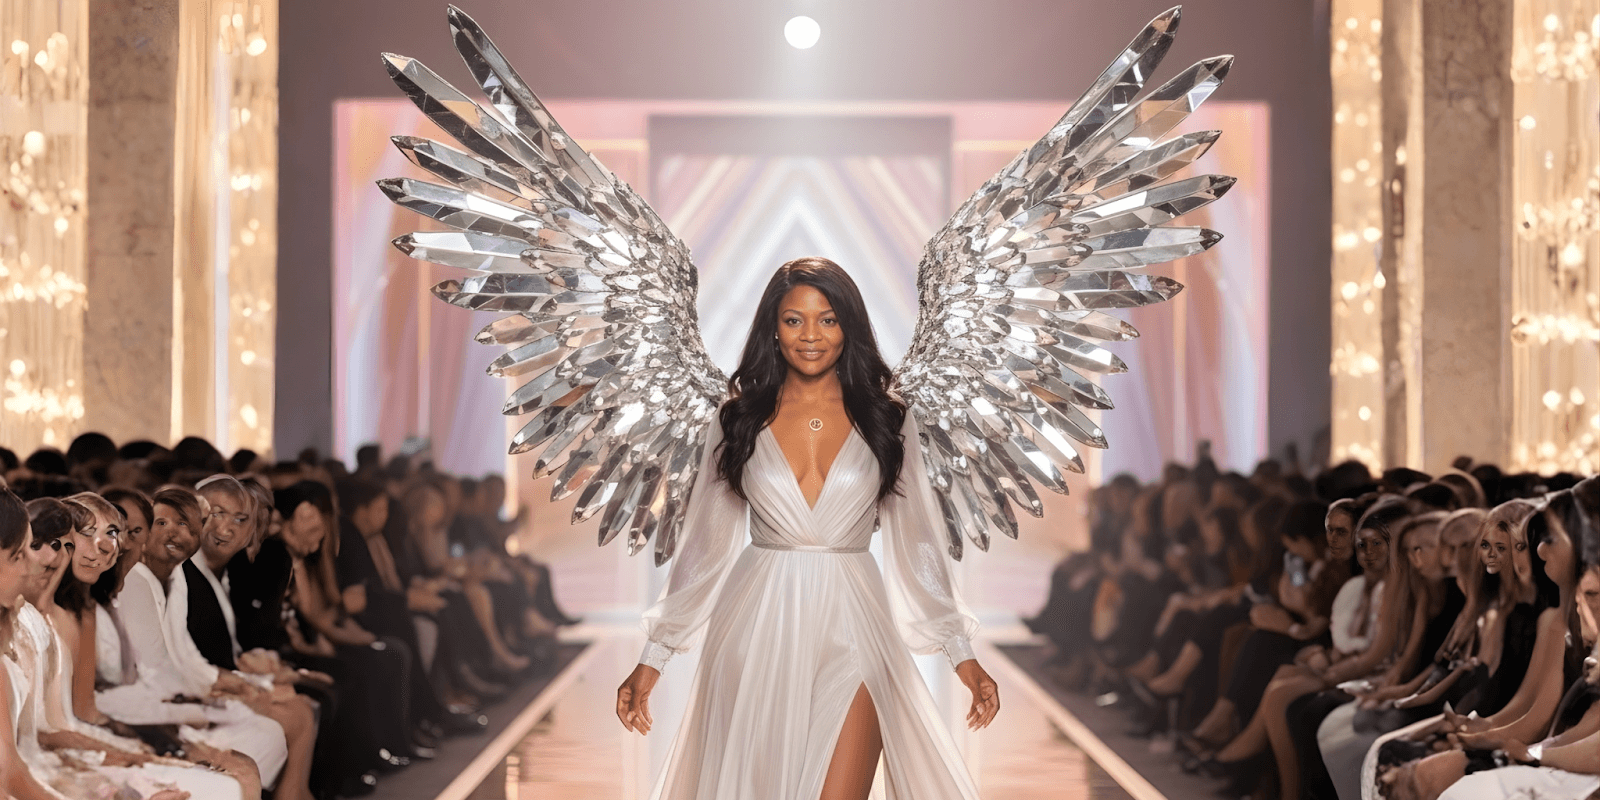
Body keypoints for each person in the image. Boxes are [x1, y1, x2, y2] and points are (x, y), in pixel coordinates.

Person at [613, 259, 999, 800]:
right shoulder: (737, 418)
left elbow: (918, 543)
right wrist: (653, 658)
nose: (811, 336)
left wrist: (963, 655)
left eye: (829, 319)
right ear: (773, 327)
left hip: (856, 623)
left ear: (850, 326)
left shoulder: (889, 419)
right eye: (794, 321)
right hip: (753, 627)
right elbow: (705, 544)